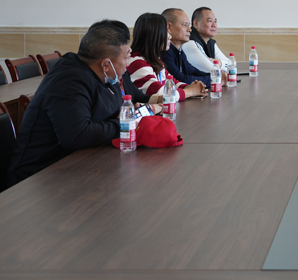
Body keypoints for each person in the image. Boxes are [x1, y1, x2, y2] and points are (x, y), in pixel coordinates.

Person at [7, 20, 129, 186]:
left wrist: (124, 118)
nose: (128, 63)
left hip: (75, 164)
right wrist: (125, 125)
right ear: (106, 64)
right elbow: (77, 135)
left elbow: (116, 109)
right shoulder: (69, 80)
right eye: (126, 57)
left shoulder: (104, 77)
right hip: (37, 177)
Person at [127, 13, 206, 100]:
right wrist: (190, 91)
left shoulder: (155, 60)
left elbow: (172, 83)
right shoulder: (137, 63)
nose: (170, 36)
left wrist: (190, 87)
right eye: (166, 32)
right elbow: (162, 94)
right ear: (154, 35)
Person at [161, 8, 224, 87]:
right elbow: (181, 80)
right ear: (169, 27)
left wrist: (217, 76)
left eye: (189, 25)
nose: (189, 29)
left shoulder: (179, 50)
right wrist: (216, 80)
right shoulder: (165, 52)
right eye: (185, 25)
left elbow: (193, 72)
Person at [183, 7, 231, 73]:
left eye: (215, 22)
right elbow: (211, 70)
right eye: (210, 21)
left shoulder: (210, 42)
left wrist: (218, 62)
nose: (214, 25)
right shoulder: (190, 42)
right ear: (196, 23)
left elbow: (232, 66)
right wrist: (219, 65)